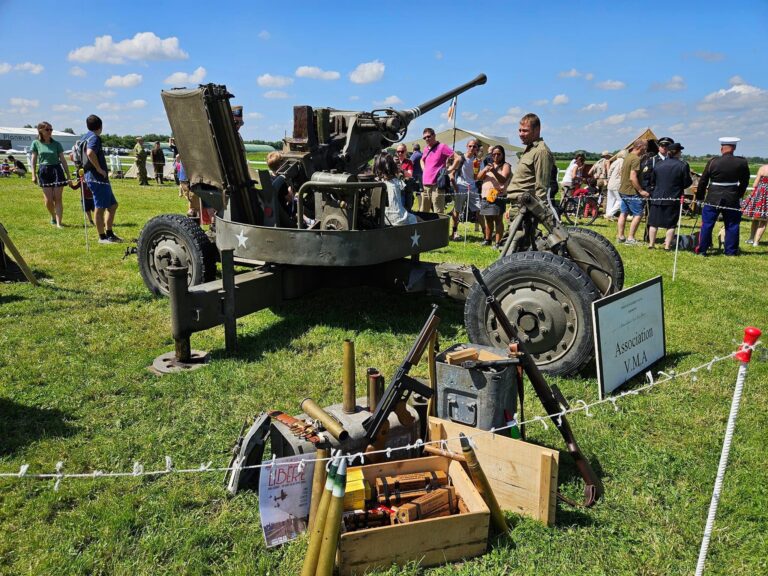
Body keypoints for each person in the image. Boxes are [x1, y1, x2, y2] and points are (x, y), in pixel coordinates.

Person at [695, 137, 750, 256]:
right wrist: (738, 195)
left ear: (721, 148)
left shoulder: (713, 161)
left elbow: (703, 181)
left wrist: (699, 197)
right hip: (732, 197)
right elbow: (745, 182)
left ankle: (702, 249)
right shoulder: (741, 162)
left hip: (713, 197)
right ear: (734, 148)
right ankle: (731, 251)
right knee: (732, 225)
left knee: (707, 224)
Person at [83, 114, 122, 243]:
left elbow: (73, 155)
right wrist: (99, 169)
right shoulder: (95, 138)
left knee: (112, 205)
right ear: (100, 126)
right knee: (100, 208)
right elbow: (90, 153)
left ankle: (109, 233)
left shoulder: (84, 137)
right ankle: (102, 237)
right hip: (96, 177)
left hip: (95, 177)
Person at [647, 143, 692, 249]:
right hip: (673, 197)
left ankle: (651, 244)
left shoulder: (658, 164)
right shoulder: (683, 165)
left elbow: (653, 180)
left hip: (657, 197)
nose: (681, 153)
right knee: (671, 224)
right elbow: (687, 182)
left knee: (653, 223)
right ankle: (667, 245)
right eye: (680, 151)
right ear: (677, 152)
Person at [30, 121, 70, 228]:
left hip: (57, 170)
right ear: (40, 131)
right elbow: (33, 160)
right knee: (48, 200)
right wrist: (33, 174)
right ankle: (53, 216)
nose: (50, 131)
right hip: (44, 171)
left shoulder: (57, 144)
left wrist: (68, 176)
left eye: (51, 129)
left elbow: (63, 160)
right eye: (47, 129)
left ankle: (59, 223)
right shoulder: (36, 143)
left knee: (58, 198)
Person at [616, 139, 649, 245]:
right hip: (631, 191)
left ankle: (620, 236)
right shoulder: (636, 159)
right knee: (638, 214)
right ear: (640, 146)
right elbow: (632, 177)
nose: (646, 149)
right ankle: (630, 238)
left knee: (623, 213)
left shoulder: (628, 156)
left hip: (623, 190)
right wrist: (641, 191)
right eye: (645, 147)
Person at [478, 145, 511, 248]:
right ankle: (488, 239)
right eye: (494, 154)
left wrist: (493, 171)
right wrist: (485, 170)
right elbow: (478, 177)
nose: (496, 156)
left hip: (498, 196)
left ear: (503, 155)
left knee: (498, 219)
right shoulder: (488, 165)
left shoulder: (506, 165)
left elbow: (503, 179)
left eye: (498, 154)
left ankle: (498, 242)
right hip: (486, 196)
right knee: (488, 219)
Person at [448, 139, 482, 240]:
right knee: (457, 210)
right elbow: (451, 171)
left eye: (474, 146)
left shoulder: (477, 161)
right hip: (461, 187)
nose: (472, 148)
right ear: (467, 146)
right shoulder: (460, 158)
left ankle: (486, 234)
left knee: (479, 209)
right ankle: (454, 232)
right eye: (470, 146)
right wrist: (455, 186)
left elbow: (476, 177)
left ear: (477, 148)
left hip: (473, 187)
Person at [373, 152, 418, 226]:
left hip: (381, 219)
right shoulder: (394, 184)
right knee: (417, 219)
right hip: (395, 219)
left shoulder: (376, 181)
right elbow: (397, 213)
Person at [419, 128, 453, 214]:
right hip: (426, 184)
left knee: (438, 211)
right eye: (424, 138)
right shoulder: (426, 149)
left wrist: (449, 169)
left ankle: (438, 227)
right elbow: (421, 160)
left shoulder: (442, 147)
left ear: (434, 135)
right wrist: (424, 169)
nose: (426, 139)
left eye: (428, 136)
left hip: (437, 185)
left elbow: (457, 158)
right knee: (424, 211)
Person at [742, 164, 768, 246]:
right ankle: (756, 242)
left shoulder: (762, 168)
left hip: (759, 194)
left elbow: (755, 185)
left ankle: (751, 239)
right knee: (764, 220)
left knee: (756, 218)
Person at [605, 150, 626, 219]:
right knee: (620, 200)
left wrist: (608, 179)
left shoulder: (614, 162)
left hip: (610, 183)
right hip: (617, 184)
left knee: (610, 200)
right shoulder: (623, 162)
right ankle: (610, 214)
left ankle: (608, 214)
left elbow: (609, 172)